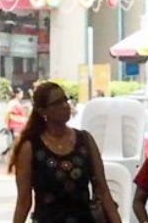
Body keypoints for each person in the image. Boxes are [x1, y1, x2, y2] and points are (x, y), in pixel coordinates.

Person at [10, 81, 122, 223]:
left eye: (65, 100)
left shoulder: (85, 140)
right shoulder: (31, 147)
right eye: (57, 103)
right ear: (43, 111)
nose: (65, 106)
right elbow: (24, 200)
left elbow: (103, 190)